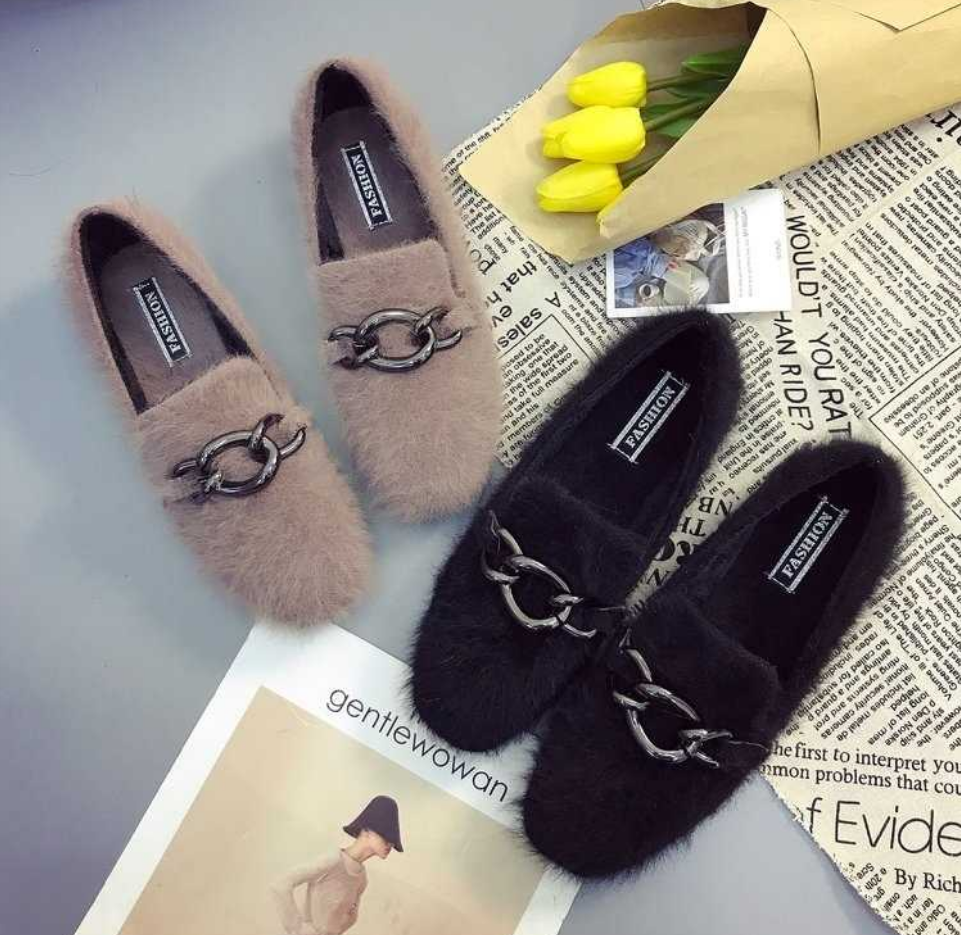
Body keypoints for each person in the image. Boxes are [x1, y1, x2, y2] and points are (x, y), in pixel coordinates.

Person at [272, 795, 404, 935]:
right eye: (386, 837)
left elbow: (349, 919)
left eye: (393, 842)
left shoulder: (361, 879)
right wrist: (298, 929)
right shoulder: (332, 861)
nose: (390, 845)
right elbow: (280, 885)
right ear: (366, 831)